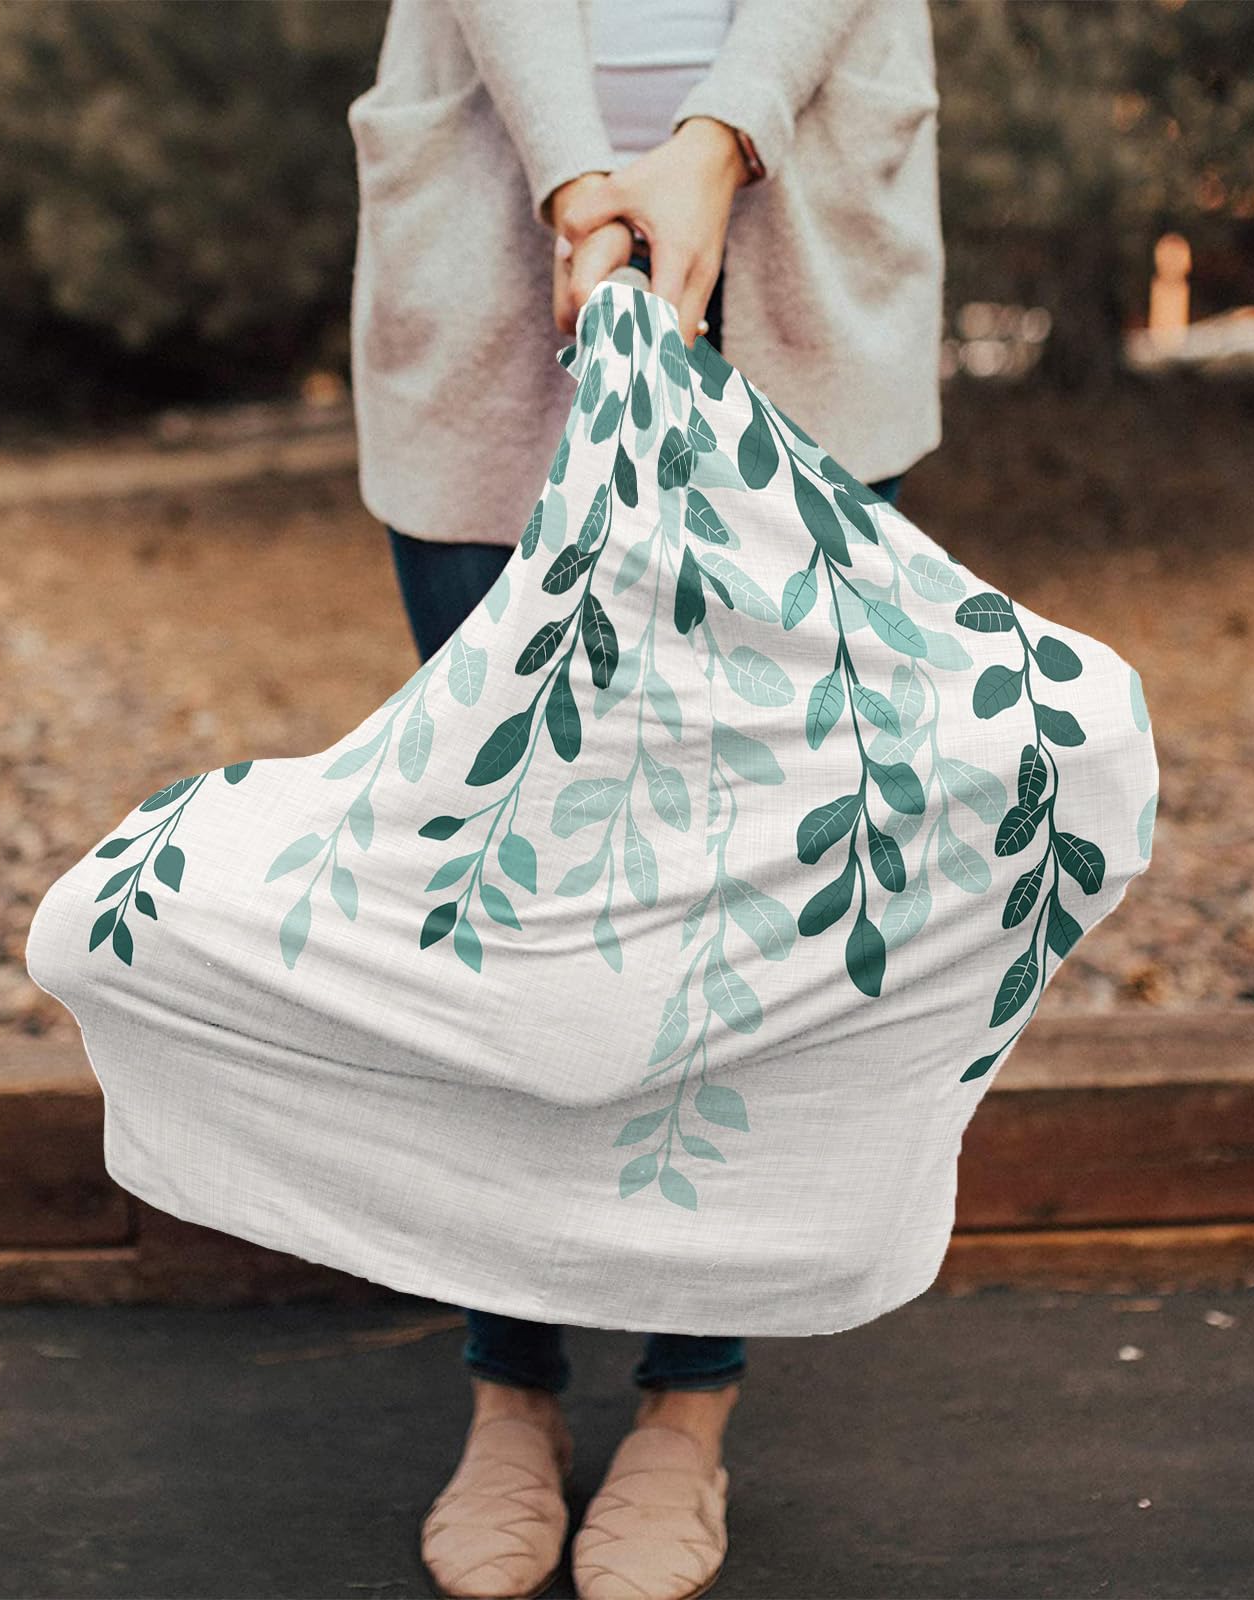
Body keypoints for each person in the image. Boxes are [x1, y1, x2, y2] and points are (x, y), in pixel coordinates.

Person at [345, 3, 943, 1596]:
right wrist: (574, 180)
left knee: (744, 872)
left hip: (797, 223)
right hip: (494, 226)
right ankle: (509, 1386)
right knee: (500, 871)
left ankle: (689, 1401)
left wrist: (715, 138)